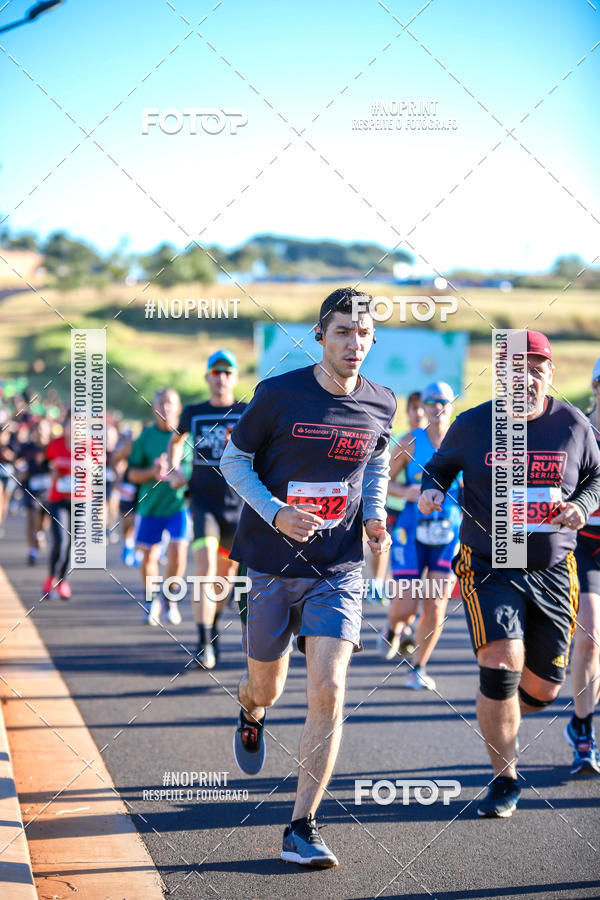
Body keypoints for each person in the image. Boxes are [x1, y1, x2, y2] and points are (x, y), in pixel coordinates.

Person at [220, 287, 395, 868]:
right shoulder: (278, 394)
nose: (353, 343)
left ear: (373, 339)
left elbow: (373, 463)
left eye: (363, 333)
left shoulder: (381, 402)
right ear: (320, 336)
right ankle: (250, 711)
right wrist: (276, 513)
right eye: (342, 331)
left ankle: (301, 826)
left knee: (329, 688)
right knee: (266, 688)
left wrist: (373, 514)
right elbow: (233, 460)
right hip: (271, 565)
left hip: (337, 568)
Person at [418, 331, 600, 817]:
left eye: (537, 369)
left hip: (553, 570)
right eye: (517, 370)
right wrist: (432, 490)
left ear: (550, 374)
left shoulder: (573, 425)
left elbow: (596, 477)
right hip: (489, 563)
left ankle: (498, 706)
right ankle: (505, 778)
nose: (527, 378)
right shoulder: (474, 424)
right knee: (501, 666)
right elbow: (438, 467)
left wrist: (583, 505)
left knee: (544, 689)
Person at [377, 382, 462, 690]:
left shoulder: (461, 440)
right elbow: (382, 480)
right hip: (410, 531)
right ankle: (393, 627)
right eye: (431, 401)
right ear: (424, 407)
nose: (437, 406)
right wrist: (406, 492)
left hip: (448, 535)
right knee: (406, 607)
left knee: (436, 606)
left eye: (443, 401)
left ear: (452, 405)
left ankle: (419, 667)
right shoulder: (411, 441)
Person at [168, 349, 247, 669]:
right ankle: (203, 643)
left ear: (235, 378)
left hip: (238, 507)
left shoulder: (246, 411)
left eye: (227, 373)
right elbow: (176, 441)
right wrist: (175, 470)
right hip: (203, 504)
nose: (221, 379)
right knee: (205, 569)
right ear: (207, 377)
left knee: (226, 577)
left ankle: (212, 624)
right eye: (216, 373)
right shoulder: (193, 412)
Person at [127, 389, 191, 626]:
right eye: (161, 403)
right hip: (150, 507)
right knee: (149, 557)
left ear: (178, 407)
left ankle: (170, 599)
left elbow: (195, 470)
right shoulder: (145, 437)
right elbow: (132, 474)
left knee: (178, 553)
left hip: (178, 506)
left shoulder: (187, 437)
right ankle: (151, 600)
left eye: (170, 403)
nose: (165, 408)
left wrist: (182, 477)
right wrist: (152, 472)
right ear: (154, 408)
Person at [565, 356, 600, 773]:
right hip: (584, 544)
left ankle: (578, 719)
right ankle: (584, 732)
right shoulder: (578, 429)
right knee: (590, 634)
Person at [42, 413, 72, 600]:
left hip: (80, 500)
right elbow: (47, 465)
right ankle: (50, 578)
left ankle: (63, 581)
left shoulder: (91, 446)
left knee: (72, 544)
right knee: (61, 541)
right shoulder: (55, 444)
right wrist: (53, 472)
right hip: (57, 499)